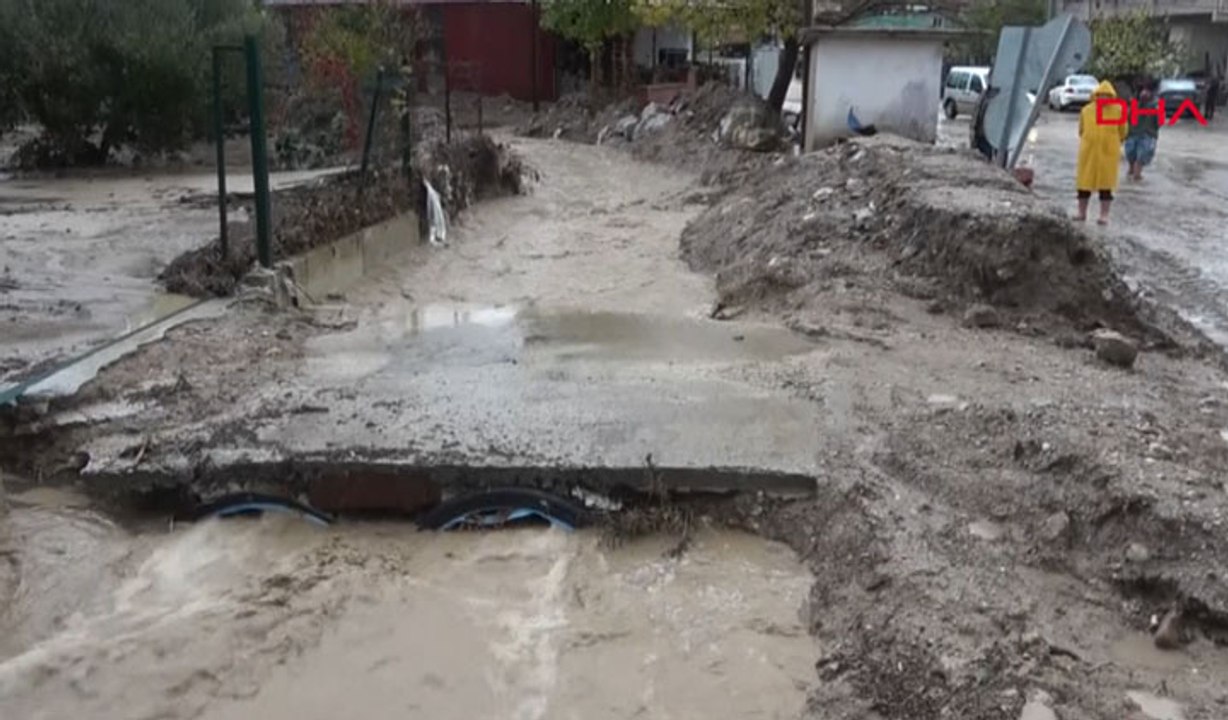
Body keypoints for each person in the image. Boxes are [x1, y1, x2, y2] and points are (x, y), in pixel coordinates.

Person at [1076, 80, 1128, 225]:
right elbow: (1081, 130)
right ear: (1096, 95)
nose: (1103, 98)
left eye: (1106, 95)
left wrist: (1113, 143)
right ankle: (1081, 213)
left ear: (1111, 96)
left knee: (1106, 187)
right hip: (1088, 152)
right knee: (1083, 186)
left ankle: (1104, 215)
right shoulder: (1086, 110)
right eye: (1100, 95)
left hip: (1108, 153)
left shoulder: (1118, 111)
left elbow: (1123, 131)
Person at [1124, 87, 1160, 182]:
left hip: (1146, 134)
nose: (1144, 94)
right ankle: (1134, 174)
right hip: (1134, 133)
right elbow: (1126, 119)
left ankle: (1136, 175)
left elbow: (1158, 122)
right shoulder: (1134, 105)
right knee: (1132, 156)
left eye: (1147, 92)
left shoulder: (1154, 106)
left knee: (1140, 157)